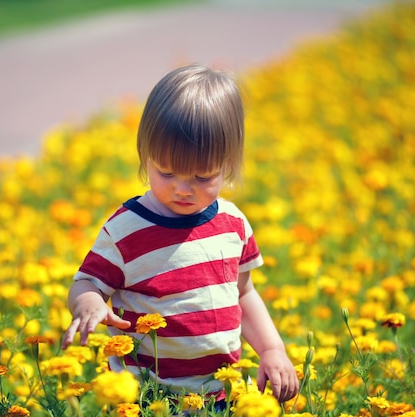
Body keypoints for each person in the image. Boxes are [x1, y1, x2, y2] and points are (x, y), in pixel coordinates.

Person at [61, 64, 299, 403]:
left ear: (228, 166)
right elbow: (86, 282)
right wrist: (88, 304)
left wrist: (272, 349)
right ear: (146, 155)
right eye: (167, 172)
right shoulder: (126, 229)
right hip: (147, 396)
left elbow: (244, 295)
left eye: (202, 177)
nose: (183, 189)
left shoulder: (233, 223)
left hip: (221, 394)